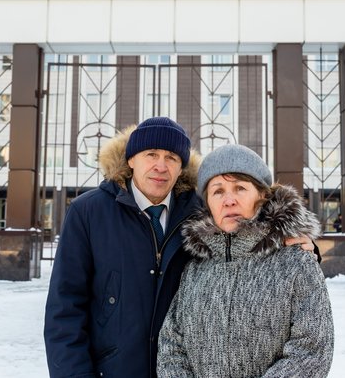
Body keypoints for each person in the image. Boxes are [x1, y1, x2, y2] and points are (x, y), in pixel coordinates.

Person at [44, 117, 316, 378]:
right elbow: (65, 307)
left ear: (181, 167)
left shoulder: (199, 212)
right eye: (151, 154)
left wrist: (300, 246)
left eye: (172, 158)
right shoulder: (89, 212)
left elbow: (250, 233)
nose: (161, 166)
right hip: (112, 370)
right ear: (131, 160)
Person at [158, 144, 335, 377]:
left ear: (261, 195)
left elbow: (312, 351)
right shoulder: (195, 269)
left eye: (240, 188)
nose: (229, 200)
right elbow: (171, 345)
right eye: (218, 191)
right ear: (208, 204)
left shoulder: (296, 262)